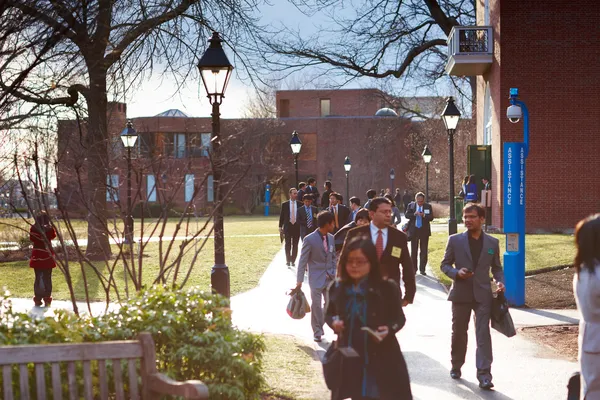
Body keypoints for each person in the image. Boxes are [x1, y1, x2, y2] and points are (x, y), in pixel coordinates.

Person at [326, 237, 413, 399]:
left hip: (381, 357)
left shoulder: (387, 288)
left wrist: (388, 329)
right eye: (350, 261)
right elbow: (329, 314)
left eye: (360, 261)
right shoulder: (338, 287)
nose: (354, 266)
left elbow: (399, 319)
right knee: (352, 391)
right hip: (349, 356)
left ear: (371, 262)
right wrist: (334, 323)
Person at [440, 203, 505, 390]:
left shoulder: (493, 243)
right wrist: (456, 273)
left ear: (482, 219)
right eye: (465, 217)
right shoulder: (455, 240)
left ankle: (484, 374)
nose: (467, 220)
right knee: (459, 332)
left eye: (472, 217)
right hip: (460, 294)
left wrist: (500, 281)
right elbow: (444, 265)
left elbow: (497, 268)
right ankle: (456, 365)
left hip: (483, 294)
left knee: (483, 333)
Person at [344, 197, 416, 306]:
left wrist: (409, 295)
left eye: (389, 211)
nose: (388, 215)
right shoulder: (354, 234)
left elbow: (407, 267)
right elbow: (344, 265)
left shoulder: (399, 237)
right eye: (384, 212)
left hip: (390, 297)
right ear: (372, 214)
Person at [295, 211, 336, 342]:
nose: (334, 225)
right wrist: (299, 281)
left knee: (330, 304)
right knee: (316, 305)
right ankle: (317, 331)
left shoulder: (332, 238)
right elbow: (302, 261)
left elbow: (333, 256)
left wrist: (334, 271)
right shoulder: (309, 239)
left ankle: (320, 325)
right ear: (326, 224)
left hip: (330, 277)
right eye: (332, 223)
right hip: (315, 278)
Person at [573, 214, 600, 399]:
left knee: (592, 389)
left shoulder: (584, 270)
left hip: (591, 339)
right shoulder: (594, 275)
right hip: (596, 340)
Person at [30, 211, 57, 307]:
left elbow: (32, 238)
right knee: (47, 277)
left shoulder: (34, 228)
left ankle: (38, 298)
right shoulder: (49, 229)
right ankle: (47, 298)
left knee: (38, 277)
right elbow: (53, 236)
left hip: (37, 254)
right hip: (47, 254)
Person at [404, 192, 433, 275]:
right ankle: (414, 268)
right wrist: (414, 214)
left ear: (424, 200)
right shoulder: (411, 205)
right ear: (416, 200)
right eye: (418, 201)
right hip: (414, 230)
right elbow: (406, 215)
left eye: (421, 201)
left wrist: (424, 215)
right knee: (414, 250)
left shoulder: (428, 206)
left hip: (424, 231)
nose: (420, 203)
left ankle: (422, 269)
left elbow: (431, 217)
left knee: (424, 250)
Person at [279, 188, 302, 267]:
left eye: (296, 193)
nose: (296, 195)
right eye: (294, 193)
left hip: (297, 227)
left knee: (295, 244)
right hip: (288, 226)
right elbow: (281, 216)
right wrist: (280, 226)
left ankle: (293, 260)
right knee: (287, 244)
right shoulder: (285, 204)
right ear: (290, 194)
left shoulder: (300, 204)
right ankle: (288, 260)